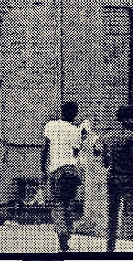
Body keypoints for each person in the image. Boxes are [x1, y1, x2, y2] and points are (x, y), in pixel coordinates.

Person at [97, 105, 133, 252]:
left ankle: (110, 247)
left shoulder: (107, 137)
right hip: (128, 179)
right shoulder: (132, 137)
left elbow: (105, 162)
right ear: (128, 119)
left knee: (112, 213)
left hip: (112, 178)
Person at [43, 101, 85, 253]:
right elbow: (75, 153)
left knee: (57, 204)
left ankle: (62, 233)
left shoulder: (51, 126)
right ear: (74, 114)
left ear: (61, 112)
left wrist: (43, 169)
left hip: (57, 171)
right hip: (72, 171)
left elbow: (45, 148)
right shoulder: (75, 130)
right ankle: (66, 238)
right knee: (69, 204)